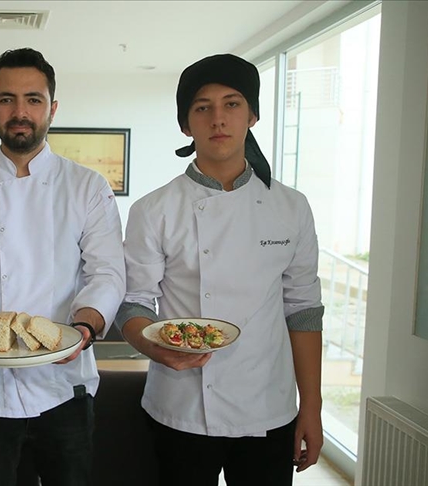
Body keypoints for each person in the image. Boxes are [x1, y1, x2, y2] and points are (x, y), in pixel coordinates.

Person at [116, 53, 325, 486]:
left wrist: (312, 407)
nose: (218, 119)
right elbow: (134, 301)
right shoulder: (154, 209)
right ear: (185, 124)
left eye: (232, 104)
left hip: (269, 403)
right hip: (183, 403)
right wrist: (153, 346)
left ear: (253, 114)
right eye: (202, 107)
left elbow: (303, 310)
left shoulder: (291, 207)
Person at [0, 47, 125, 486]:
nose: (20, 111)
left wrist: (85, 328)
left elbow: (106, 273)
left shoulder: (87, 186)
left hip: (65, 385)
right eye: (6, 99)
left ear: (52, 107)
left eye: (33, 99)